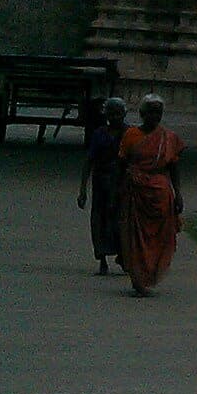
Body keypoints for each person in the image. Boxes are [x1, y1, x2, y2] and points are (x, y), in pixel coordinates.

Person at [116, 95, 185, 297]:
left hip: (160, 194)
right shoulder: (131, 135)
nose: (155, 116)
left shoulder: (169, 138)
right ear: (142, 113)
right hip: (135, 192)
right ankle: (137, 280)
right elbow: (121, 164)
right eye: (151, 112)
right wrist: (119, 190)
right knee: (134, 237)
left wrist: (178, 194)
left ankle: (150, 274)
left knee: (159, 237)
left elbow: (173, 166)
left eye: (158, 112)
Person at [76, 96, 127, 276]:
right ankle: (102, 259)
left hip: (122, 184)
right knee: (99, 221)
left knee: (121, 221)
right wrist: (83, 190)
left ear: (124, 114)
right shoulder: (99, 134)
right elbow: (89, 161)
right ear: (106, 115)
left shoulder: (130, 134)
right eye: (111, 114)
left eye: (118, 114)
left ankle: (123, 256)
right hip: (101, 184)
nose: (114, 117)